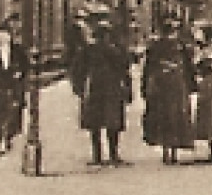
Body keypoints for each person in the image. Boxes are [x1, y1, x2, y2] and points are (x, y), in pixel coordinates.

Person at [74, 16, 132, 166]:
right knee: (109, 122)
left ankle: (99, 155)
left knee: (99, 123)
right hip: (108, 87)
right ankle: (110, 155)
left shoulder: (90, 49)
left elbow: (78, 70)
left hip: (98, 87)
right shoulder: (112, 49)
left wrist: (79, 87)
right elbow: (125, 68)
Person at [141, 17, 197, 164]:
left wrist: (145, 85)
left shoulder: (156, 46)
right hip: (176, 84)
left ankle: (167, 149)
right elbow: (189, 67)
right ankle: (172, 150)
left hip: (162, 84)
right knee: (176, 115)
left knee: (163, 115)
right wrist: (192, 84)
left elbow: (148, 67)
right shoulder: (180, 46)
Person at [0, 18, 31, 155]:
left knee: (13, 112)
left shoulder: (18, 50)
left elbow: (26, 66)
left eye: (5, 34)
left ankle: (8, 137)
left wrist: (20, 73)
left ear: (10, 36)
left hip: (14, 85)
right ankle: (1, 140)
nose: (2, 37)